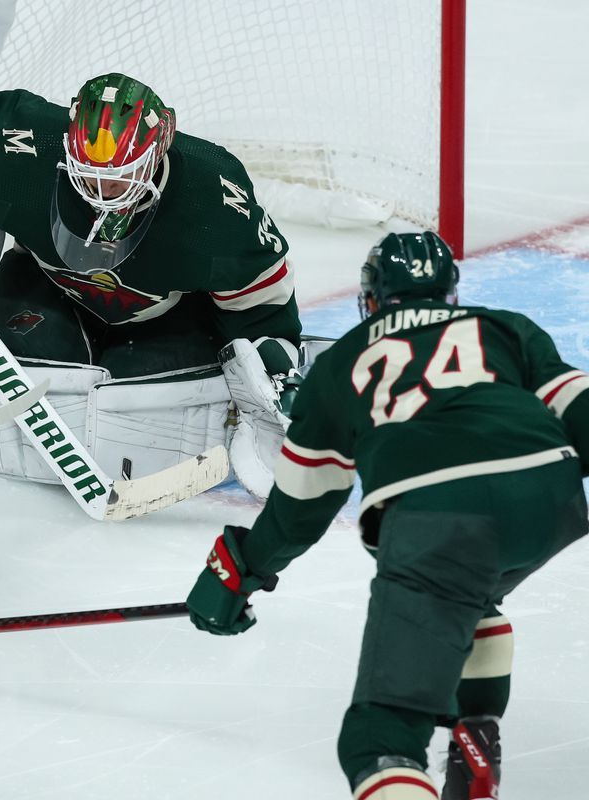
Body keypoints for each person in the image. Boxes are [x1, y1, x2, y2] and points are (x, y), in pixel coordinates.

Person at [184, 231, 589, 799]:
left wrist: (241, 567)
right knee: (468, 598)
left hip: (438, 519)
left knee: (379, 741)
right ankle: (475, 745)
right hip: (551, 499)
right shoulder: (501, 328)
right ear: (448, 293)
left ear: (371, 300)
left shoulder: (343, 361)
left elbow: (303, 507)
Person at [0, 73, 303, 498]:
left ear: (158, 155)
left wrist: (268, 378)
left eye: (120, 178)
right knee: (42, 374)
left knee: (140, 401)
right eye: (89, 174)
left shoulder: (214, 198)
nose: (101, 192)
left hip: (162, 320)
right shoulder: (20, 143)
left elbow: (262, 303)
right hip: (47, 289)